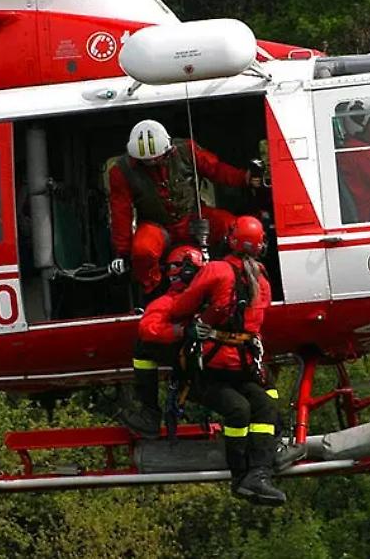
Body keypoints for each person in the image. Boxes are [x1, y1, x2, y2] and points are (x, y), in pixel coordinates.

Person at [166, 215, 285, 506]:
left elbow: (181, 307)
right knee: (247, 409)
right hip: (228, 368)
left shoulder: (216, 271)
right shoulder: (263, 280)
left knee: (256, 408)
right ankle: (247, 475)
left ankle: (256, 475)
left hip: (213, 368)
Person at [108, 119, 254, 294]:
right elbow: (121, 213)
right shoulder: (121, 171)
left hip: (193, 217)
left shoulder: (187, 150)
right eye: (146, 161)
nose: (152, 163)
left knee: (231, 226)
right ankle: (153, 291)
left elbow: (216, 169)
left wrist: (243, 178)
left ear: (168, 149)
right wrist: (123, 252)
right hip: (157, 226)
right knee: (142, 251)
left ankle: (241, 280)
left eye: (156, 158)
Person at [119, 245, 206, 438]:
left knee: (142, 348)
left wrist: (177, 332)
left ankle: (150, 413)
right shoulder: (221, 290)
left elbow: (147, 329)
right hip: (225, 363)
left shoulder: (170, 301)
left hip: (201, 370)